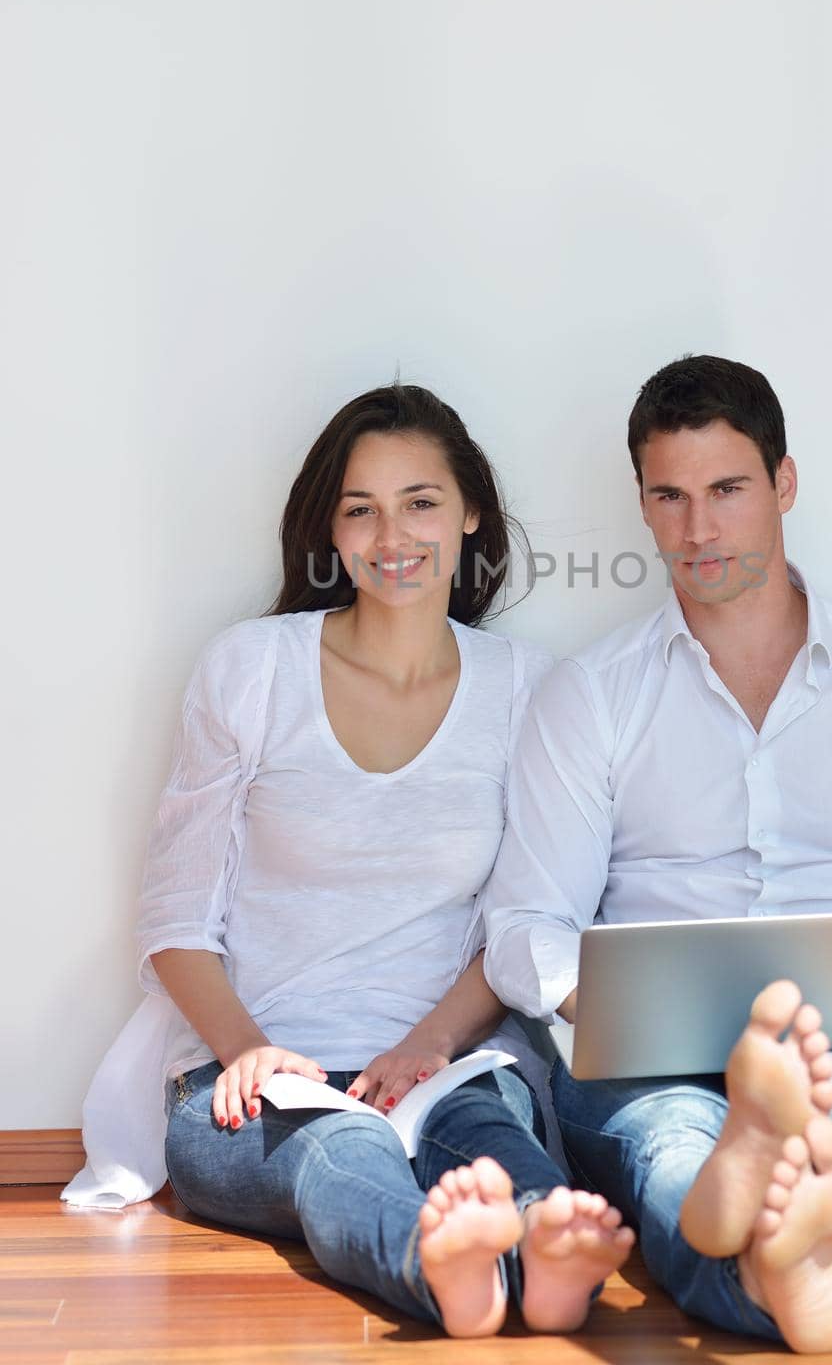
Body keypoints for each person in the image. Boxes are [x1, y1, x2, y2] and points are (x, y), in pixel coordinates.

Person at [482, 354, 832, 1354]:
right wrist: (600, 996)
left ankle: (767, 1203)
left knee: (826, 1113)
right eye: (672, 496)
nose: (699, 530)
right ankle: (790, 1245)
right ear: (645, 506)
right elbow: (527, 922)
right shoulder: (591, 693)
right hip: (646, 1057)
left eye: (728, 490)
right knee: (672, 1143)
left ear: (784, 484)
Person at [64, 383, 632, 1339]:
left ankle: (548, 1255)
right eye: (359, 509)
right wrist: (247, 1048)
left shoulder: (529, 691)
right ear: (328, 529)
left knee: (492, 1140)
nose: (392, 534)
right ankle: (439, 1269)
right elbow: (173, 921)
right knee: (340, 1156)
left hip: (448, 1058)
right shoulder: (251, 668)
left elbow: (521, 917)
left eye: (420, 502)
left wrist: (431, 1045)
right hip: (251, 1077)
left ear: (470, 514)